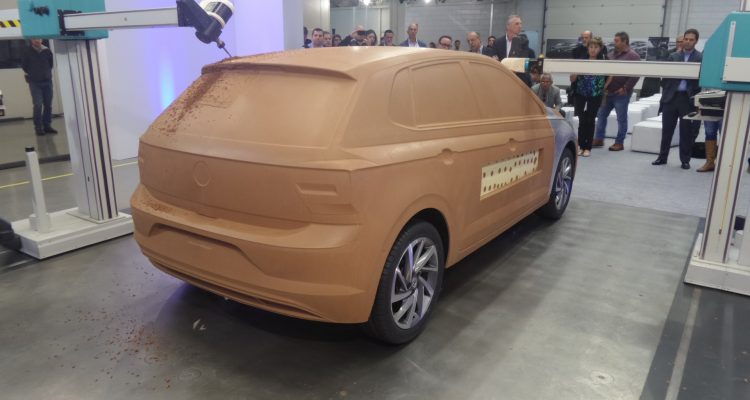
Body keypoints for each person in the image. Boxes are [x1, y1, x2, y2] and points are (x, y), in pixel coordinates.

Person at [652, 28, 703, 169]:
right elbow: (665, 77)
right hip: (671, 98)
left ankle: (685, 160)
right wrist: (668, 89)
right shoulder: (673, 56)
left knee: (686, 131)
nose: (688, 42)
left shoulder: (700, 58)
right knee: (667, 130)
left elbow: (701, 80)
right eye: (686, 39)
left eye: (691, 40)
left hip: (687, 99)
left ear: (696, 41)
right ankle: (662, 157)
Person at [591, 31, 640, 151]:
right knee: (601, 115)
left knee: (621, 118)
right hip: (607, 92)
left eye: (617, 40)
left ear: (625, 41)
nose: (614, 42)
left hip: (621, 93)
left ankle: (619, 142)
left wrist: (625, 88)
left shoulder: (633, 56)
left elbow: (635, 75)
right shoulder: (611, 54)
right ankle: (599, 138)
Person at [572, 37, 607, 157]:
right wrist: (575, 72)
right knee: (582, 120)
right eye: (591, 47)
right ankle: (581, 146)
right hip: (581, 94)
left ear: (600, 49)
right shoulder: (582, 60)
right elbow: (572, 78)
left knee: (590, 120)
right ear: (587, 48)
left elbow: (611, 75)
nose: (593, 49)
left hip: (595, 95)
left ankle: (588, 147)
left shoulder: (604, 62)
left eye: (595, 47)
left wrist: (603, 86)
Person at [22, 38, 56, 135]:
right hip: (35, 83)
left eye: (39, 39)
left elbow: (51, 64)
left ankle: (47, 126)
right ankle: (38, 127)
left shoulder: (47, 51)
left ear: (41, 40)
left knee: (48, 105)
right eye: (34, 39)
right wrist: (34, 74)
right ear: (31, 40)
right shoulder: (27, 52)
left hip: (47, 81)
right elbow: (24, 66)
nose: (37, 40)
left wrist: (46, 74)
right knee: (38, 104)